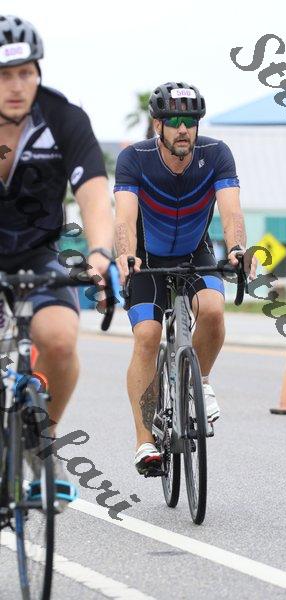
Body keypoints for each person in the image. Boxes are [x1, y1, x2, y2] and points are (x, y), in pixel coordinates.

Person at [114, 82, 256, 476]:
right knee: (147, 335)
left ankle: (201, 382)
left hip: (195, 252)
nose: (183, 129)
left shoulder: (216, 154)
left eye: (190, 121)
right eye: (174, 121)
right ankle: (145, 440)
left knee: (212, 309)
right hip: (147, 258)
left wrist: (237, 249)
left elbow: (231, 212)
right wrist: (125, 254)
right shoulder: (134, 159)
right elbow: (124, 217)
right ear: (157, 125)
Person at [0, 15, 114, 504]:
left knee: (61, 341)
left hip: (38, 253)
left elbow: (93, 193)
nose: (16, 86)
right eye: (5, 75)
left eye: (25, 72)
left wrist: (100, 252)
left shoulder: (63, 118)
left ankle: (40, 441)